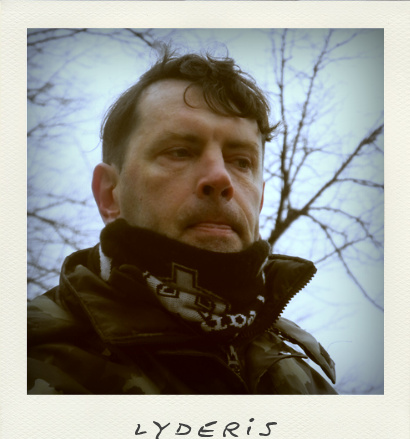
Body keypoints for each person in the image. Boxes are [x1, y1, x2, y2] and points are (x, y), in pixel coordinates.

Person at [27, 50, 337, 395]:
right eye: (179, 152)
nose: (220, 177)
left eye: (241, 161)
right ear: (110, 195)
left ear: (260, 199)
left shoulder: (306, 380)